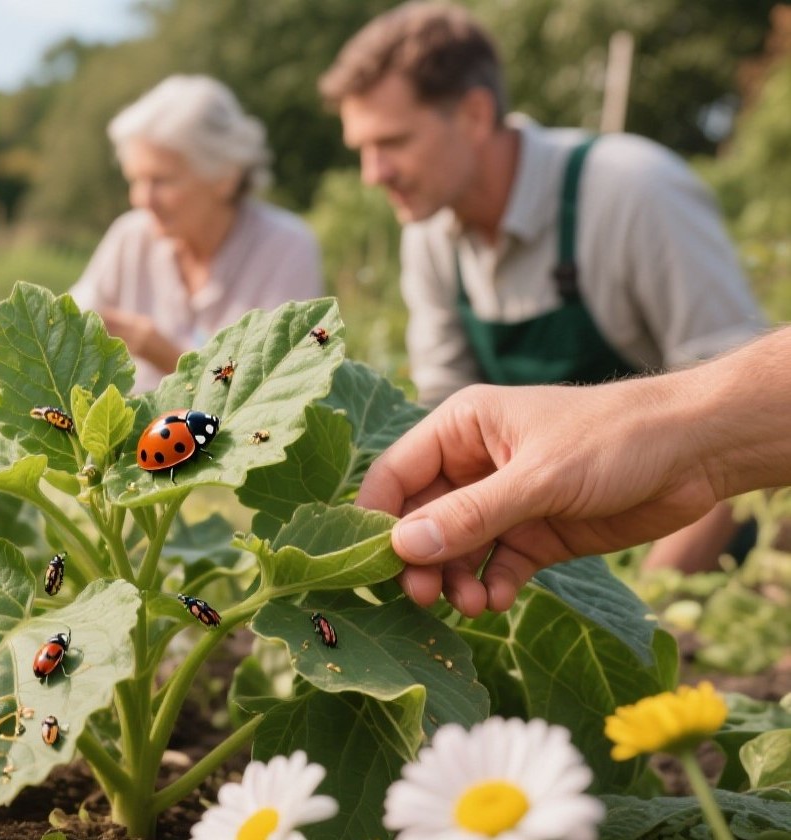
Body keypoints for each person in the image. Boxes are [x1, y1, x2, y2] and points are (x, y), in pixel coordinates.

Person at [319, 2, 766, 573]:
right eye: (362, 148)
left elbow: (735, 429)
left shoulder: (632, 192)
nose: (371, 173)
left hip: (697, 547)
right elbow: (445, 423)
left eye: (393, 142)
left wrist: (645, 610)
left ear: (476, 115)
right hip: (552, 545)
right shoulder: (430, 234)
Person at [0, 74, 323, 402]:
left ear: (226, 175)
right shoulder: (132, 236)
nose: (141, 198)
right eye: (135, 180)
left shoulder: (287, 247)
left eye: (161, 180)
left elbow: (274, 395)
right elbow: (63, 326)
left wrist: (164, 353)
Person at [355, 326, 791, 619]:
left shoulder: (634, 199)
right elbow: (438, 395)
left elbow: (731, 341)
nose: (373, 180)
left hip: (725, 524)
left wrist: (677, 428)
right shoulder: (433, 244)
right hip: (559, 511)